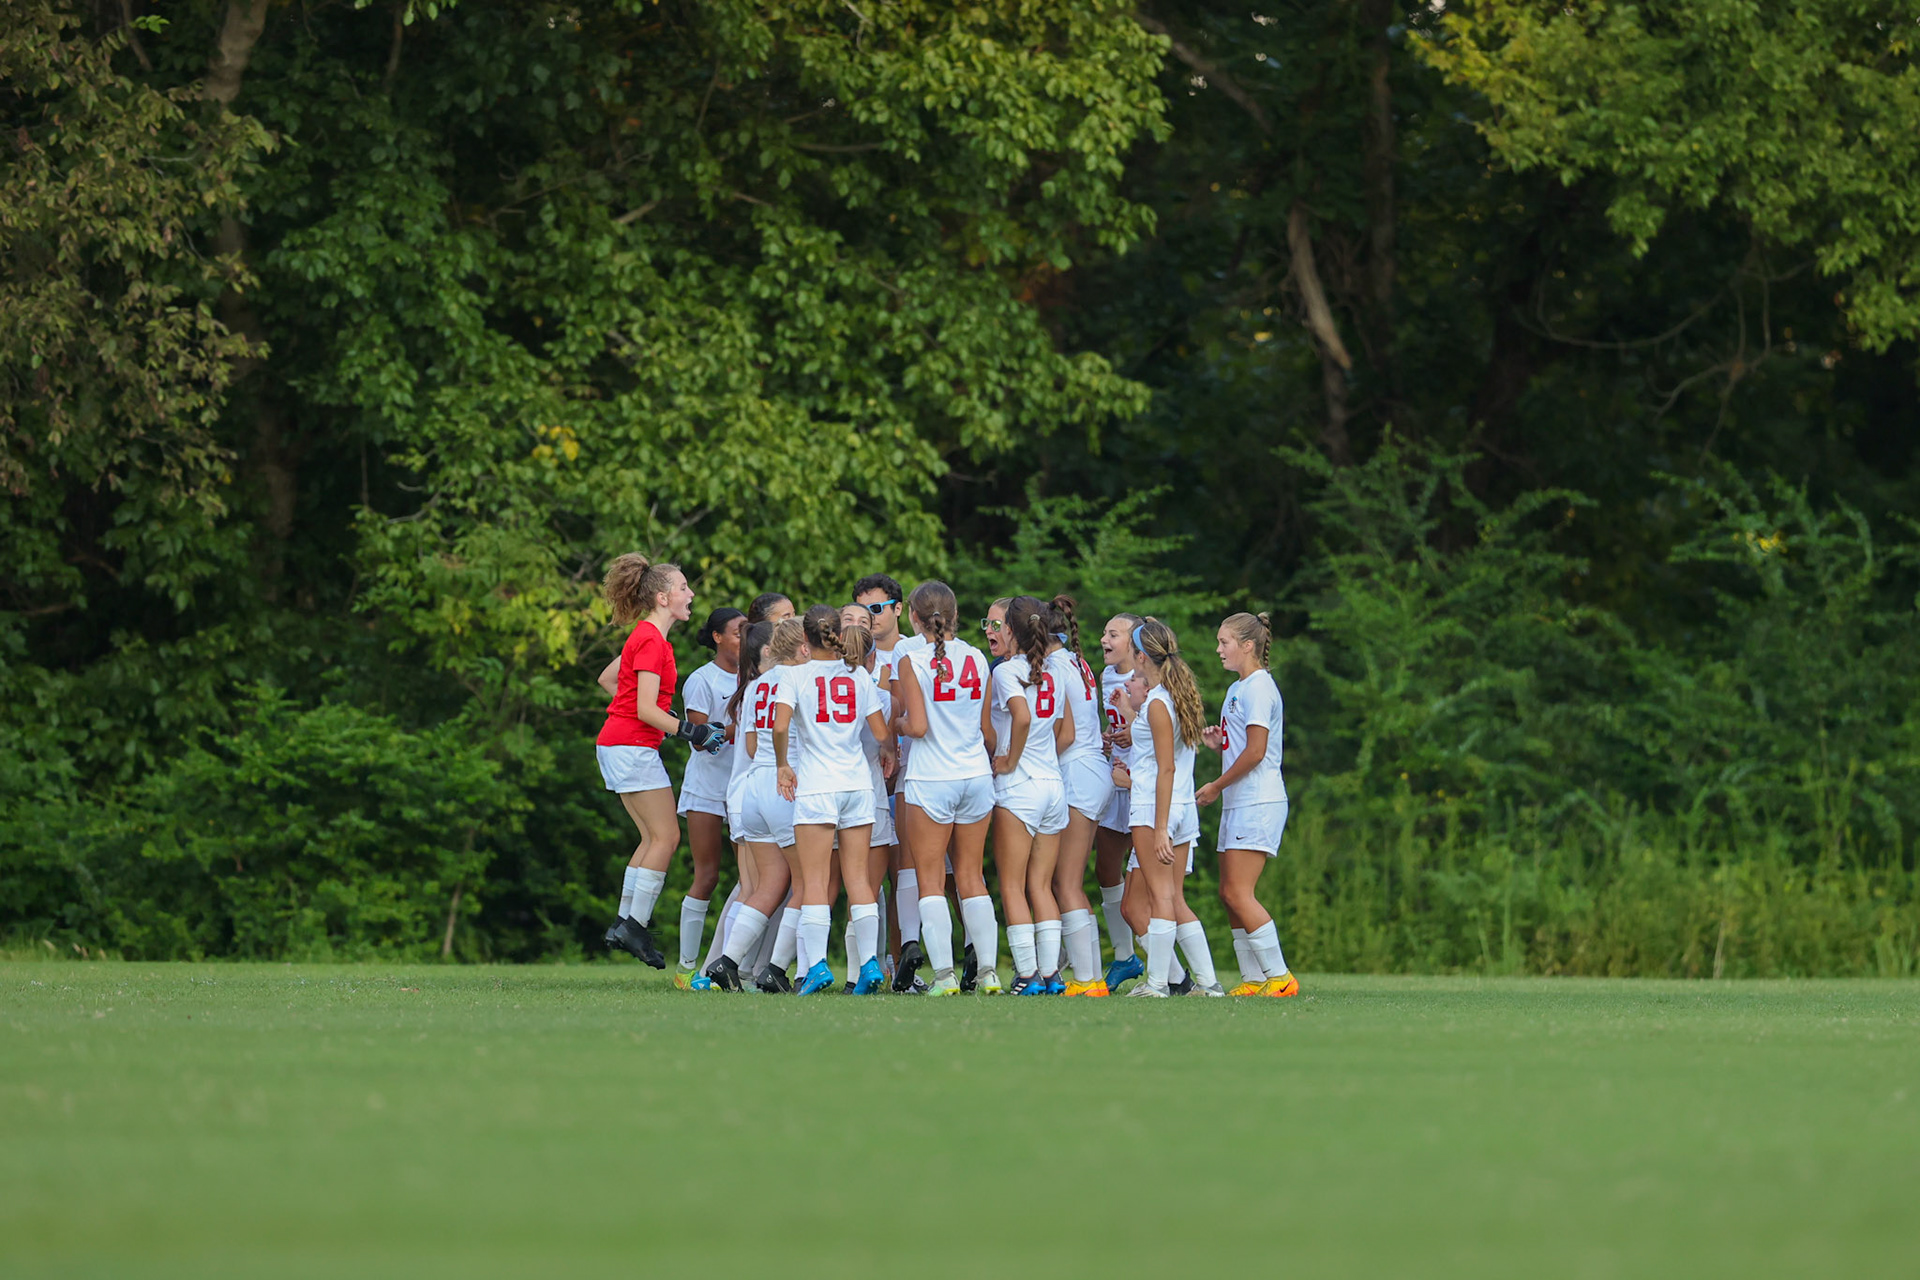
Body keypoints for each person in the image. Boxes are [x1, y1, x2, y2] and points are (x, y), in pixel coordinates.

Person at [593, 555, 724, 968]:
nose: (691, 594)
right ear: (664, 597)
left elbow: (610, 680)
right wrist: (691, 731)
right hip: (631, 745)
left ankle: (624, 922)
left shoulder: (645, 635)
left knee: (651, 839)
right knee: (666, 838)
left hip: (619, 743)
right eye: (684, 588)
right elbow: (646, 709)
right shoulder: (652, 641)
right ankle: (635, 926)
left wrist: (643, 714)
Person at [773, 606, 893, 995]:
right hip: (858, 785)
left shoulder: (794, 675)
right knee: (859, 879)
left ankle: (818, 965)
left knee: (815, 881)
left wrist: (782, 765)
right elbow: (880, 732)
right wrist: (889, 750)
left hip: (817, 786)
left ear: (804, 640)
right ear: (837, 635)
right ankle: (869, 962)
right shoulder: (858, 675)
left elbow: (780, 725)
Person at [892, 580, 995, 995]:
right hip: (975, 774)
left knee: (931, 879)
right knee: (972, 876)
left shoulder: (911, 659)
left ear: (914, 617)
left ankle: (945, 976)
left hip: (932, 776)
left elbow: (917, 726)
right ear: (954, 616)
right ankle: (988, 972)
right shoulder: (978, 657)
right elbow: (987, 732)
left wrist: (898, 724)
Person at [1198, 612, 1299, 997]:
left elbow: (1257, 752)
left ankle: (1280, 978)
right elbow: (1244, 746)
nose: (1218, 649)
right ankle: (1254, 979)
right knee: (1228, 893)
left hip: (1258, 800)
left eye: (1224, 642)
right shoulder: (1237, 688)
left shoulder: (1259, 687)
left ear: (1248, 646)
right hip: (1239, 801)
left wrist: (1216, 786)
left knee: (1239, 892)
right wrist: (1219, 744)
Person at [1124, 618, 1224, 997]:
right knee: (1175, 898)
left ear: (1141, 657)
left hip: (1155, 808)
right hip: (1182, 807)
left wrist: (1160, 826)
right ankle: (1208, 983)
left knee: (1161, 896)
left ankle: (1157, 984)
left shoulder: (1157, 703)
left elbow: (1166, 767)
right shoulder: (1175, 696)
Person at [705, 619, 800, 991]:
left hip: (753, 789)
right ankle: (776, 970)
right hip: (784, 786)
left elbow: (749, 745)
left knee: (768, 884)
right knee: (809, 884)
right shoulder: (799, 680)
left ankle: (727, 962)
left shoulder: (756, 686)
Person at [987, 595, 1072, 994]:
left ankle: (1026, 974)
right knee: (1041, 885)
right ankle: (1051, 974)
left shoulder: (1007, 672)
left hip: (1020, 787)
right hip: (1053, 784)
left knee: (1012, 885)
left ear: (1010, 630)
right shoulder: (1056, 672)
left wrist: (1009, 760)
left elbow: (1021, 717)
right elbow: (1062, 731)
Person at [669, 606, 746, 988]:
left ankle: (732, 964)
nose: (744, 639)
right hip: (707, 788)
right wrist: (741, 725)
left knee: (752, 879)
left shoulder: (756, 677)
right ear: (717, 637)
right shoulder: (702, 679)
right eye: (737, 632)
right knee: (708, 875)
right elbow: (702, 740)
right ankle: (685, 968)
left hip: (743, 786)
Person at [1047, 596, 1109, 996]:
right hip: (1094, 771)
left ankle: (1089, 979)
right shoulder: (1077, 661)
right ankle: (1092, 975)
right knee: (1069, 882)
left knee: (1066, 882)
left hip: (1078, 773)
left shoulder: (1054, 667)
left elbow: (1065, 735)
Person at [1096, 612, 1144, 990]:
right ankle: (1125, 956)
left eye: (1114, 634)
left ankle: (1176, 972)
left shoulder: (1150, 679)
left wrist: (1134, 731)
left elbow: (1164, 729)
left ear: (1135, 642)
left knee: (1150, 885)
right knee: (1105, 870)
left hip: (1144, 784)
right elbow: (1113, 725)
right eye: (1104, 633)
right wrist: (1108, 737)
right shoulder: (1105, 677)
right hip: (1116, 782)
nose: (1104, 640)